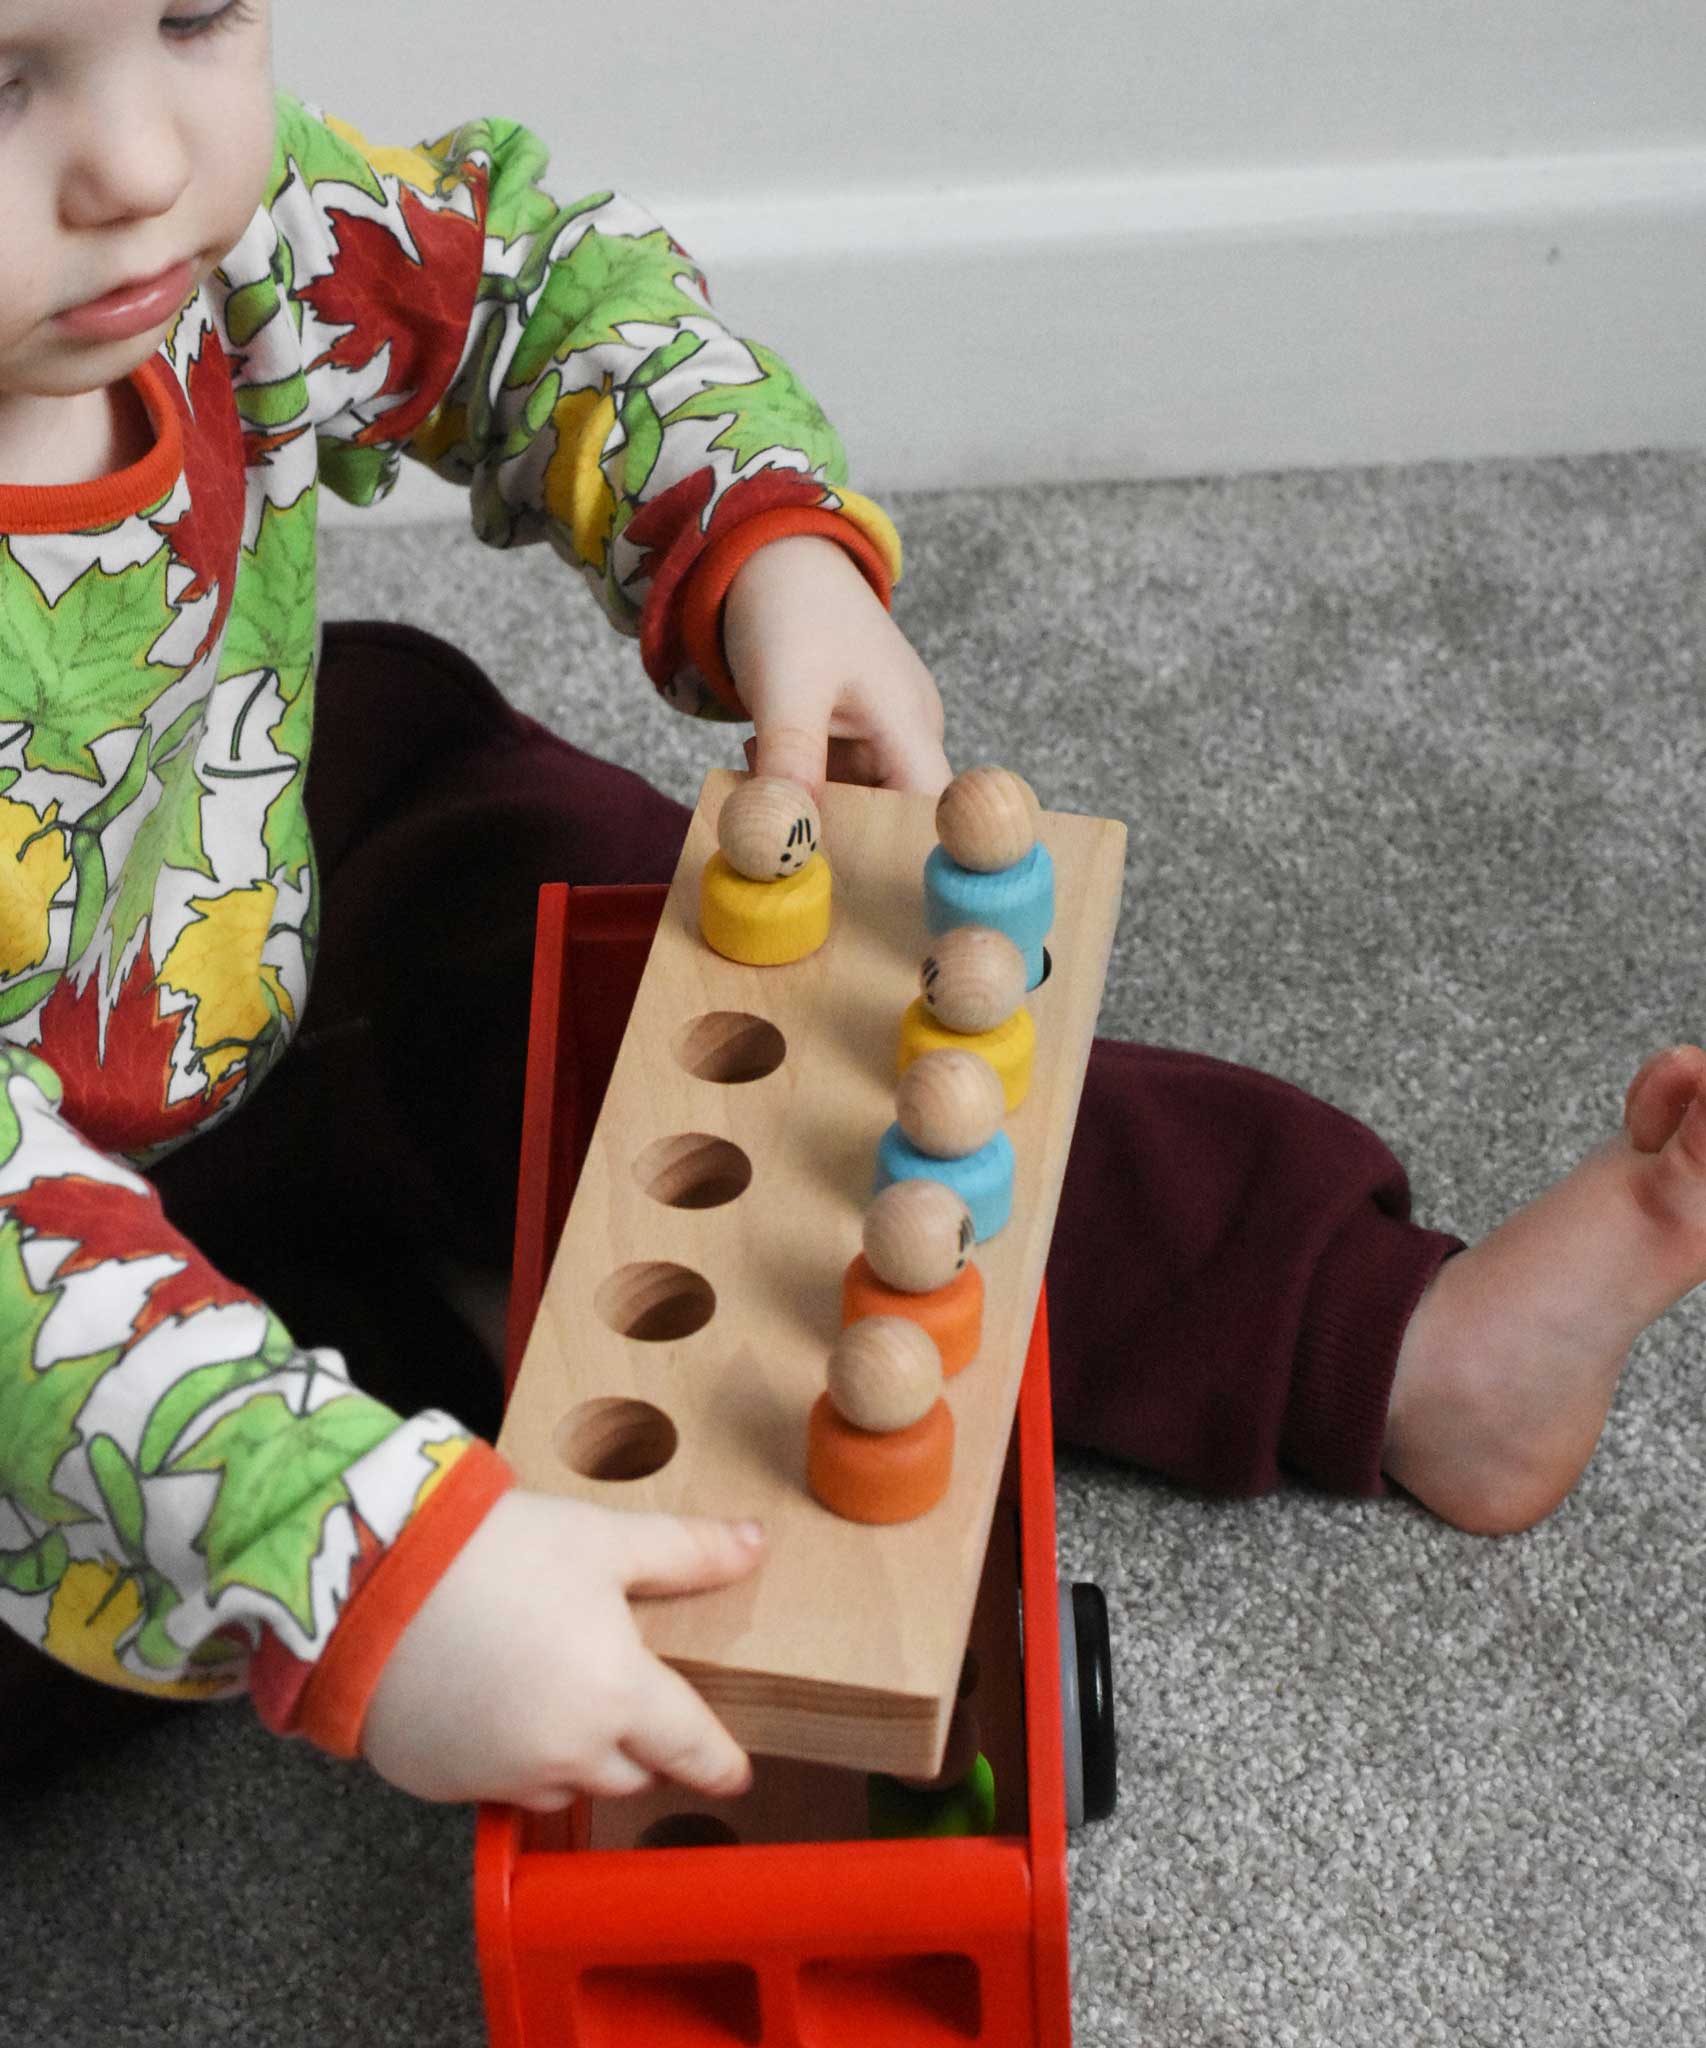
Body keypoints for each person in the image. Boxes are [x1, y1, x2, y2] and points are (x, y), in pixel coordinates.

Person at [4, 0, 1706, 1812]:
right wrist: (359, 1564)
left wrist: (764, 535)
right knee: (91, 1603)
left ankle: (1373, 1337)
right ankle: (398, 1364)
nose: (140, 163)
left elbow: (524, 295)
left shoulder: (221, 244)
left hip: (230, 893)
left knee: (710, 967)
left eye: (192, 17)